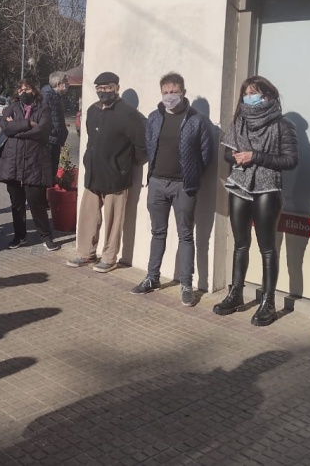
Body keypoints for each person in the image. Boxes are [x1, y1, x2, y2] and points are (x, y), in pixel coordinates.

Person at [214, 76, 298, 325]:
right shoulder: (240, 122)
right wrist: (235, 157)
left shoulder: (283, 125)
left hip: (267, 189)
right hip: (239, 186)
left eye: (255, 93)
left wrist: (256, 156)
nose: (249, 98)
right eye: (246, 93)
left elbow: (291, 161)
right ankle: (236, 293)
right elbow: (227, 153)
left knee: (267, 248)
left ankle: (268, 302)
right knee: (240, 243)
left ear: (268, 95)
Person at [131, 72, 215, 306]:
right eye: (165, 92)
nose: (169, 96)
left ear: (183, 92)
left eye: (174, 92)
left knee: (186, 235)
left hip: (183, 186)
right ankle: (152, 278)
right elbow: (149, 145)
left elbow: (207, 155)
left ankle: (187, 285)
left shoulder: (197, 120)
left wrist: (192, 176)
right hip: (156, 183)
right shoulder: (154, 118)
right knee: (157, 233)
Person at [67, 71, 146, 272]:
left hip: (116, 178)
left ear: (117, 88)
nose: (103, 92)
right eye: (99, 89)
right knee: (88, 217)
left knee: (113, 220)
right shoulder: (92, 111)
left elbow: (141, 147)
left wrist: (124, 166)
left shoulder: (129, 114)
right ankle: (86, 253)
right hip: (93, 174)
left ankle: (109, 257)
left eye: (107, 88)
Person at [0, 78, 59, 251]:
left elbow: (43, 131)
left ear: (34, 91)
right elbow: (5, 127)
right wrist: (28, 124)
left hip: (34, 162)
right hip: (13, 163)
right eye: (20, 89)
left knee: (36, 201)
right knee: (16, 203)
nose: (24, 92)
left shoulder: (43, 108)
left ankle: (46, 236)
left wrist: (17, 130)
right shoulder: (12, 108)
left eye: (27, 89)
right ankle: (19, 236)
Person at [41, 71, 70, 176]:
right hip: (49, 140)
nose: (68, 85)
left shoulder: (56, 96)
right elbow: (43, 118)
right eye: (66, 82)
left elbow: (56, 117)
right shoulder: (47, 96)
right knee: (48, 172)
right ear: (58, 84)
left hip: (55, 140)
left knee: (52, 171)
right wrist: (54, 131)